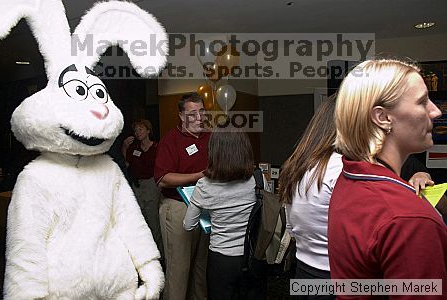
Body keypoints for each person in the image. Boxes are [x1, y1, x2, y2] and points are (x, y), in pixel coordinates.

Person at [329, 59, 446, 297]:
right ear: (382, 117)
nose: (436, 111)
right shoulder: (409, 218)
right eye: (422, 101)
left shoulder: (351, 178)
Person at [183, 129, 264, 300]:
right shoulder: (256, 179)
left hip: (221, 260)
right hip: (252, 256)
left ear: (214, 152)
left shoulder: (204, 185)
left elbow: (188, 225)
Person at [279, 94, 340, 300]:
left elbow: (290, 227)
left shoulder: (295, 164)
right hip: (333, 276)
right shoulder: (340, 167)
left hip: (302, 271)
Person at [154, 92, 211, 300]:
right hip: (178, 207)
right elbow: (162, 178)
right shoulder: (171, 140)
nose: (199, 118)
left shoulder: (209, 136)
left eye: (202, 112)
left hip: (205, 207)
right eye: (192, 113)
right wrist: (198, 176)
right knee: (179, 269)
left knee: (200, 268)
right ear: (181, 116)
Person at [121, 119, 163, 258]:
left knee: (153, 220)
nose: (137, 133)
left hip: (151, 185)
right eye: (136, 130)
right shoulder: (133, 148)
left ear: (148, 131)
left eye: (140, 129)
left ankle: (161, 255)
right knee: (140, 221)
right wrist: (125, 147)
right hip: (137, 186)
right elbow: (125, 165)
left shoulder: (157, 148)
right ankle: (145, 255)